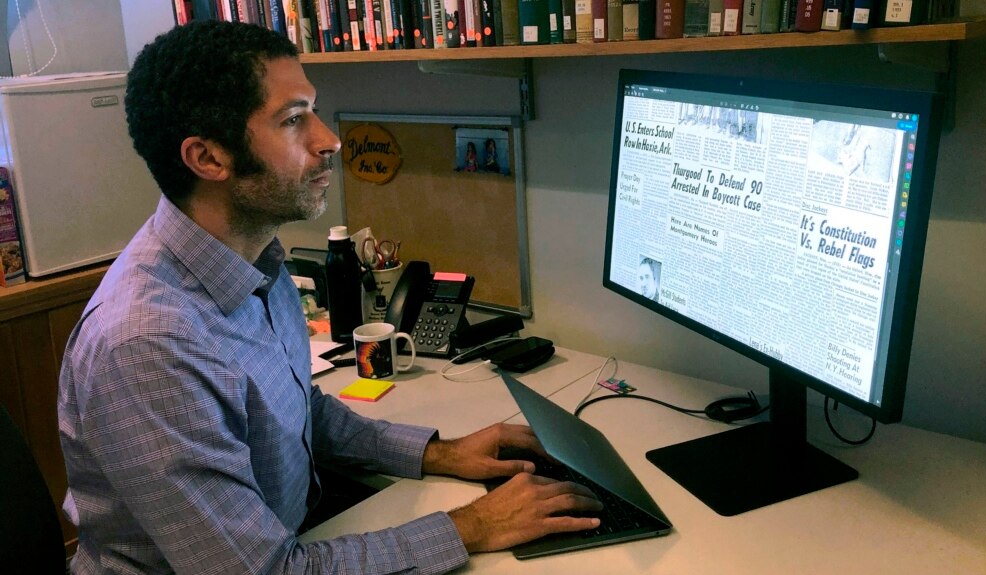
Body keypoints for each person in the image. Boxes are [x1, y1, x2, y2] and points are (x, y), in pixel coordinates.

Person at [57, 20, 601, 574]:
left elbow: (297, 410)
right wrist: (475, 525)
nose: (328, 139)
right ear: (208, 159)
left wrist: (440, 453)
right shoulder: (147, 346)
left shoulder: (255, 261)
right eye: (293, 120)